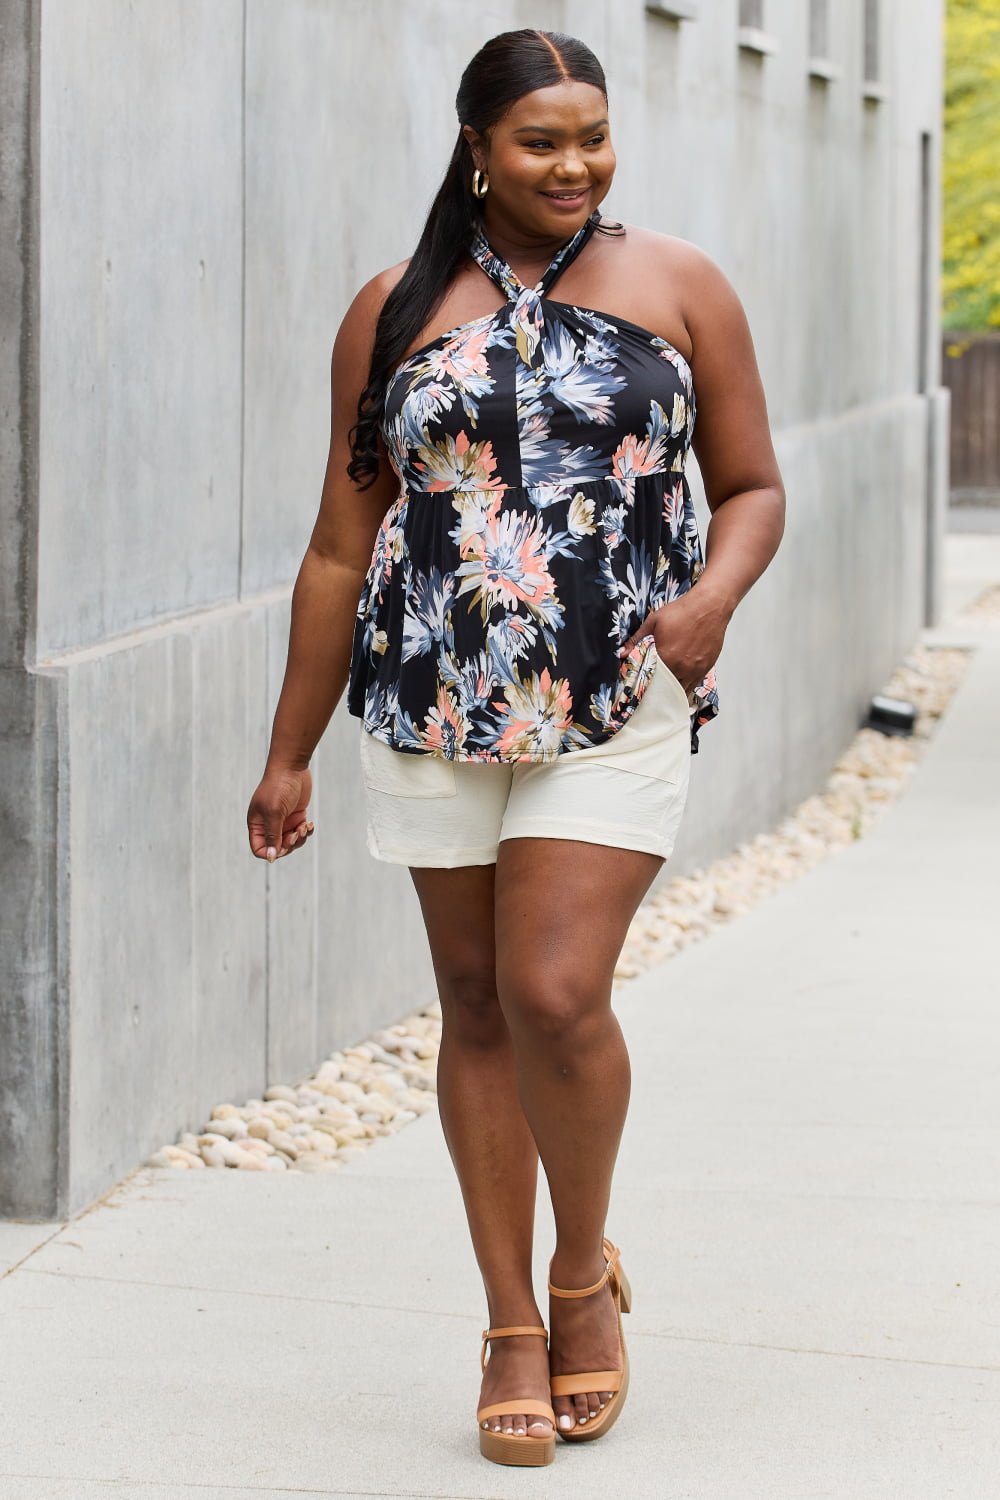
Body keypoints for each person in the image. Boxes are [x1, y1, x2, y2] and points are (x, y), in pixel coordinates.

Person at [247, 27, 785, 1470]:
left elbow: (750, 485)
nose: (575, 165)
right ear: (479, 146)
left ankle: (583, 1265)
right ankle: (507, 1322)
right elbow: (335, 545)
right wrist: (288, 748)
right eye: (542, 140)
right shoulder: (393, 307)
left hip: (617, 696)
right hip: (430, 702)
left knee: (553, 991)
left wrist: (712, 599)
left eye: (593, 136)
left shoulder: (679, 286)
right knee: (474, 1004)